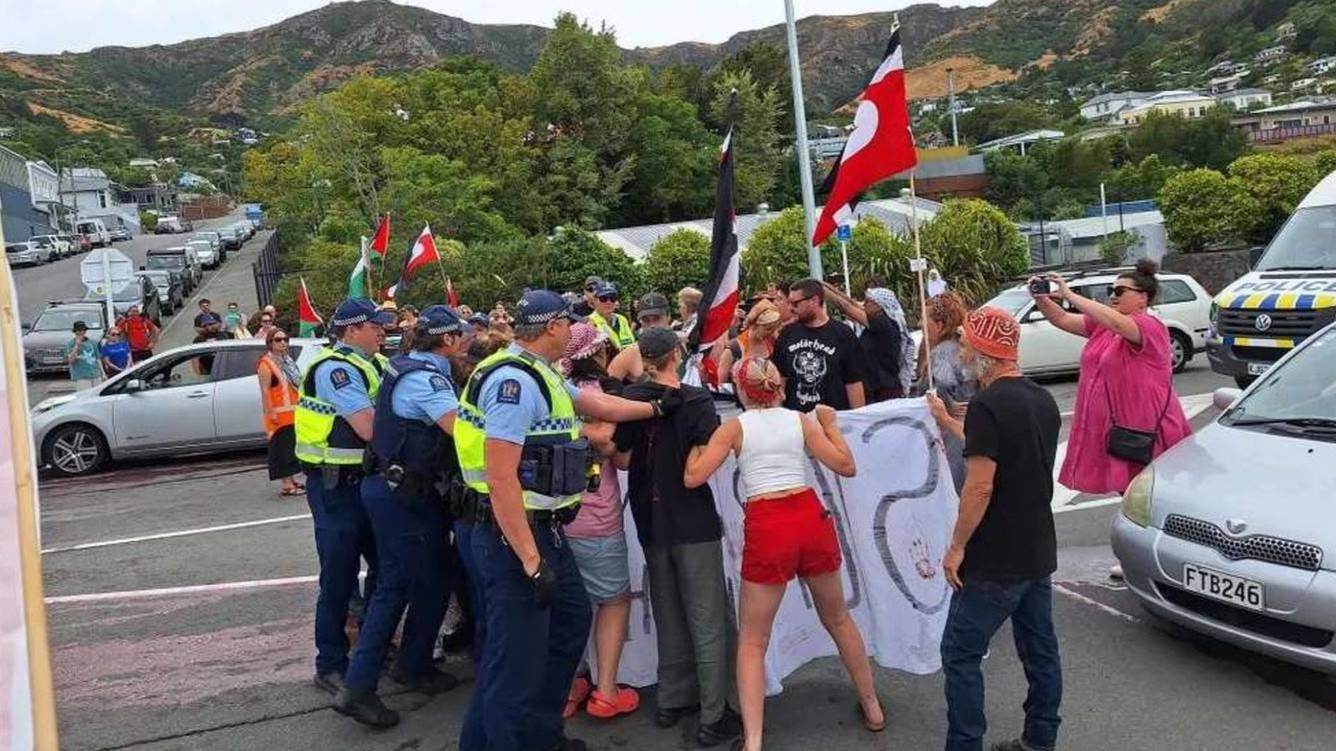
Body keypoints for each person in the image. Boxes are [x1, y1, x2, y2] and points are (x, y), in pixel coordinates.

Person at [455, 290, 678, 751]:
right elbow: (500, 480)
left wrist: (658, 407)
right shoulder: (512, 382)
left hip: (545, 529)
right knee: (515, 658)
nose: (578, 331)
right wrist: (532, 562)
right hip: (514, 537)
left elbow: (597, 406)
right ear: (553, 327)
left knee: (569, 624)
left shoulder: (540, 374)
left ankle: (538, 734)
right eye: (570, 323)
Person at [684, 357, 885, 750]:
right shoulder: (800, 420)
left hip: (769, 522)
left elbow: (694, 477)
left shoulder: (733, 428)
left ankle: (754, 740)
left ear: (742, 390)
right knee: (839, 618)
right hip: (810, 516)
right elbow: (845, 465)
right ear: (779, 386)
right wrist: (830, 425)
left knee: (752, 641)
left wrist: (695, 446)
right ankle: (872, 705)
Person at [924, 307, 1063, 751]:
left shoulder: (987, 404)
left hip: (996, 558)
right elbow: (1004, 451)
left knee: (960, 654)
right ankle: (1041, 739)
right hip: (1037, 549)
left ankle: (965, 744)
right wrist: (949, 423)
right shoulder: (1040, 399)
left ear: (985, 353)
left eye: (967, 344)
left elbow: (980, 486)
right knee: (1040, 652)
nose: (962, 351)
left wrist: (956, 547)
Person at [335, 306, 471, 728]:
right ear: (447, 341)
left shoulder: (404, 366)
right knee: (396, 586)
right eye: (462, 337)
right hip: (401, 496)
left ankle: (413, 663)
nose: (467, 343)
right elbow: (463, 430)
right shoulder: (424, 379)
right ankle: (358, 688)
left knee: (436, 575)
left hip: (404, 492)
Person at [613, 327, 740, 746]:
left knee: (668, 610)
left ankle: (672, 698)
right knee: (707, 619)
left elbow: (624, 456)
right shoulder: (698, 400)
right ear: (676, 354)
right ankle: (713, 713)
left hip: (650, 517)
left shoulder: (631, 399)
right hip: (691, 518)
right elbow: (700, 462)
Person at [293, 298, 395, 696]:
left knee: (386, 569)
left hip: (365, 482)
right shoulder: (335, 369)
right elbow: (369, 427)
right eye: (375, 325)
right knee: (338, 577)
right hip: (335, 487)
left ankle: (371, 645)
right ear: (352, 330)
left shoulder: (377, 363)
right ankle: (330, 662)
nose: (383, 331)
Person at [1032, 260, 1191, 498]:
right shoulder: (1105, 327)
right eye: (1110, 291)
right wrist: (1040, 298)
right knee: (1132, 495)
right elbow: (1062, 319)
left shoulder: (1150, 326)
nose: (1112, 296)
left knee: (1152, 496)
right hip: (1117, 427)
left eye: (1119, 291)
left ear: (1143, 298)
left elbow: (1116, 322)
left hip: (1145, 427)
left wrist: (1068, 294)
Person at [558, 324, 640, 721]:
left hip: (553, 514)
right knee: (612, 601)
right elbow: (608, 439)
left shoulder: (549, 385)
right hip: (594, 513)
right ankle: (605, 690)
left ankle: (567, 686)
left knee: (566, 604)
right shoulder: (597, 393)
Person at [914, 292, 976, 494]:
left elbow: (939, 390)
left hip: (952, 435)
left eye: (924, 320)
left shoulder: (940, 355)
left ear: (939, 325)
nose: (920, 324)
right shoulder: (964, 347)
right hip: (972, 428)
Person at [773, 278, 866, 412]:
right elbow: (781, 378)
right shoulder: (787, 334)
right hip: (798, 421)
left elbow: (853, 382)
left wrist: (857, 421)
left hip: (834, 421)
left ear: (814, 300)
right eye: (789, 303)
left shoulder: (843, 334)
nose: (790, 308)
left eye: (795, 303)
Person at [822, 283, 915, 402]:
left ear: (880, 307)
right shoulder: (878, 321)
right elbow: (851, 303)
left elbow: (846, 307)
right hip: (876, 387)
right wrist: (821, 284)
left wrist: (820, 289)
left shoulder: (883, 323)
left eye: (868, 301)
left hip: (884, 390)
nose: (864, 304)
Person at [257, 327, 303, 496]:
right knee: (282, 451)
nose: (283, 342)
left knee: (291, 449)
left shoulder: (286, 360)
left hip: (292, 414)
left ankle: (291, 479)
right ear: (270, 343)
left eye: (285, 339)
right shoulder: (266, 364)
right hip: (278, 416)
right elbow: (265, 392)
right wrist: (271, 414)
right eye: (278, 340)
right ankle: (287, 485)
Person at [608, 292, 676, 382]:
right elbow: (605, 388)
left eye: (657, 319)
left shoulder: (681, 344)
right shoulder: (631, 354)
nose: (652, 325)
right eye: (646, 320)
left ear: (668, 316)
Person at [716, 300, 781, 386]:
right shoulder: (734, 348)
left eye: (774, 329)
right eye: (768, 329)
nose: (772, 333)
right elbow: (720, 384)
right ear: (754, 324)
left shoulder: (772, 345)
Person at [588, 281, 636, 351]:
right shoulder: (589, 323)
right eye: (603, 298)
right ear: (594, 301)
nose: (608, 302)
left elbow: (631, 344)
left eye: (612, 298)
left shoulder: (621, 319)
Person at [64, 321, 103, 389]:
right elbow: (70, 360)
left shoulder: (92, 342)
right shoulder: (70, 344)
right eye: (79, 330)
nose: (81, 332)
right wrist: (77, 345)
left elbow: (98, 359)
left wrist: (103, 373)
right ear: (75, 331)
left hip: (95, 374)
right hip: (82, 376)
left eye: (83, 330)